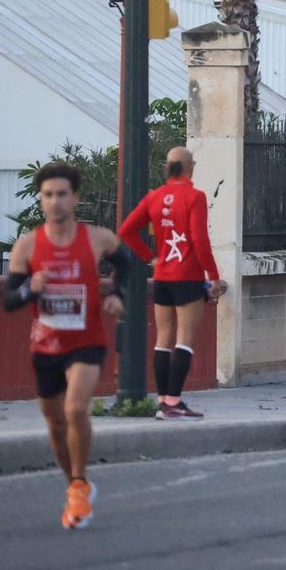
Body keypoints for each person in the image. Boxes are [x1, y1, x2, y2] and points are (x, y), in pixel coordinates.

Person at [2, 163, 134, 529]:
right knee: (55, 424)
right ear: (41, 200)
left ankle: (78, 483)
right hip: (46, 344)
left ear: (75, 199)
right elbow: (9, 300)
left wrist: (117, 294)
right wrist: (32, 288)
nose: (55, 201)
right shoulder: (27, 245)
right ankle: (75, 485)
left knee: (76, 409)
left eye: (62, 194)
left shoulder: (96, 238)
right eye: (48, 195)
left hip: (86, 340)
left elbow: (126, 261)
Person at [117, 146, 227, 421]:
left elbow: (126, 230)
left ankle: (163, 401)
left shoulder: (154, 197)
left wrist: (150, 258)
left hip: (162, 278)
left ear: (167, 167)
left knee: (162, 339)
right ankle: (174, 402)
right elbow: (200, 241)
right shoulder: (195, 197)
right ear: (190, 166)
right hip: (187, 277)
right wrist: (213, 276)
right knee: (185, 340)